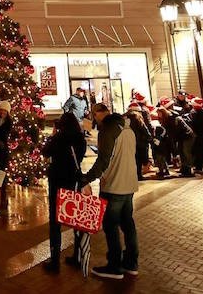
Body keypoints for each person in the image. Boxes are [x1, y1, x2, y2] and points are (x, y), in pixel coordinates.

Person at [79, 102, 139, 280]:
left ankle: (114, 265)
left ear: (99, 113)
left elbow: (104, 160)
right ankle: (131, 263)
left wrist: (87, 178)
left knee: (111, 225)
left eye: (94, 115)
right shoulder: (127, 128)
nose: (94, 119)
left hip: (114, 185)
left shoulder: (108, 130)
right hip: (129, 183)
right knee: (128, 224)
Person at [40, 111, 87, 273]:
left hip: (57, 181)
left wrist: (53, 136)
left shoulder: (59, 138)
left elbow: (45, 151)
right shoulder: (80, 138)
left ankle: (55, 262)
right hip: (73, 180)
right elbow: (80, 157)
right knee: (75, 219)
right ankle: (77, 256)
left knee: (55, 221)